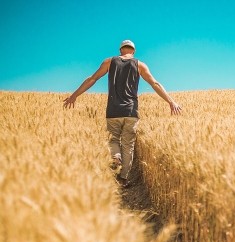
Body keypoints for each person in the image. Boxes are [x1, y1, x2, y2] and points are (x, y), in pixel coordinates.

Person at [63, 40, 181, 187]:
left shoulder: (109, 62)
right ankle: (123, 178)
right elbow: (154, 84)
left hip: (113, 110)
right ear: (133, 51)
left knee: (113, 140)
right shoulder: (140, 64)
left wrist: (74, 95)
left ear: (120, 50)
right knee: (128, 145)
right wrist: (171, 102)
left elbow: (92, 79)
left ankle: (116, 156)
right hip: (131, 111)